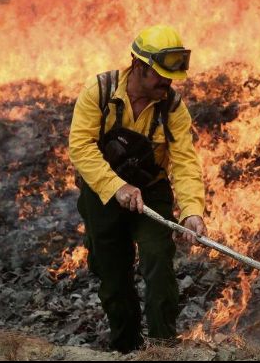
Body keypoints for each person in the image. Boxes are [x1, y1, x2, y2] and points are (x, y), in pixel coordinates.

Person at [68, 24, 207, 353]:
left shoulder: (172, 107)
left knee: (158, 260)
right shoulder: (99, 92)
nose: (168, 84)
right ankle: (125, 349)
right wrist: (116, 186)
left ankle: (162, 348)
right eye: (160, 76)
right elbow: (81, 147)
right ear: (140, 68)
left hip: (152, 192)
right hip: (103, 193)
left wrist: (191, 212)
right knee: (113, 276)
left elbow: (185, 162)